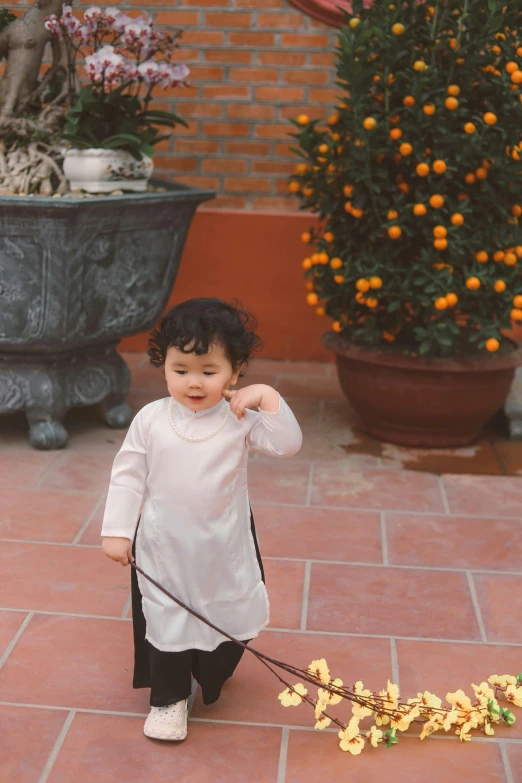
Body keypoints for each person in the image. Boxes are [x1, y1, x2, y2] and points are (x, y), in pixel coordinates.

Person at [101, 298, 303, 741]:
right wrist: (117, 530)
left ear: (235, 370)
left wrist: (267, 397)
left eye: (209, 372)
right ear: (163, 364)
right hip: (163, 547)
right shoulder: (152, 419)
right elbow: (128, 476)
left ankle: (212, 670)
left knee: (224, 618)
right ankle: (169, 700)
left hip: (222, 545)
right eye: (180, 370)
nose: (194, 383)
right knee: (168, 618)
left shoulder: (240, 419)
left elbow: (287, 444)